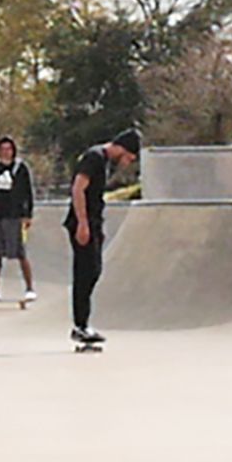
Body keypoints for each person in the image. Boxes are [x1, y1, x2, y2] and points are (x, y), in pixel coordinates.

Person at [66, 129, 142, 350]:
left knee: (93, 270)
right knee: (85, 271)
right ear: (122, 149)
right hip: (83, 222)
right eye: (129, 158)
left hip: (92, 222)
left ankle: (83, 323)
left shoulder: (103, 160)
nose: (127, 163)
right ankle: (80, 325)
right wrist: (82, 223)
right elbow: (78, 189)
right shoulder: (94, 157)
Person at [0, 135, 37, 306]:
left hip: (15, 214)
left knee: (19, 251)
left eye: (9, 149)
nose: (6, 152)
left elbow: (28, 192)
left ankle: (29, 288)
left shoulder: (21, 168)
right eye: (3, 149)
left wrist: (28, 214)